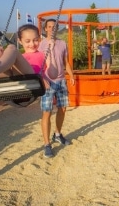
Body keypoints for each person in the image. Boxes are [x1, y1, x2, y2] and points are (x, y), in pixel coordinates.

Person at [38, 18, 73, 157]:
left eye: (54, 27)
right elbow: (38, 65)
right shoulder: (41, 45)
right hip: (47, 81)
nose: (52, 29)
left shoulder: (62, 43)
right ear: (45, 29)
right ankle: (47, 144)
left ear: (57, 29)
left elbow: (66, 62)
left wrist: (71, 75)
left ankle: (57, 134)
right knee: (47, 112)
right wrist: (42, 81)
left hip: (61, 80)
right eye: (49, 26)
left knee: (62, 109)